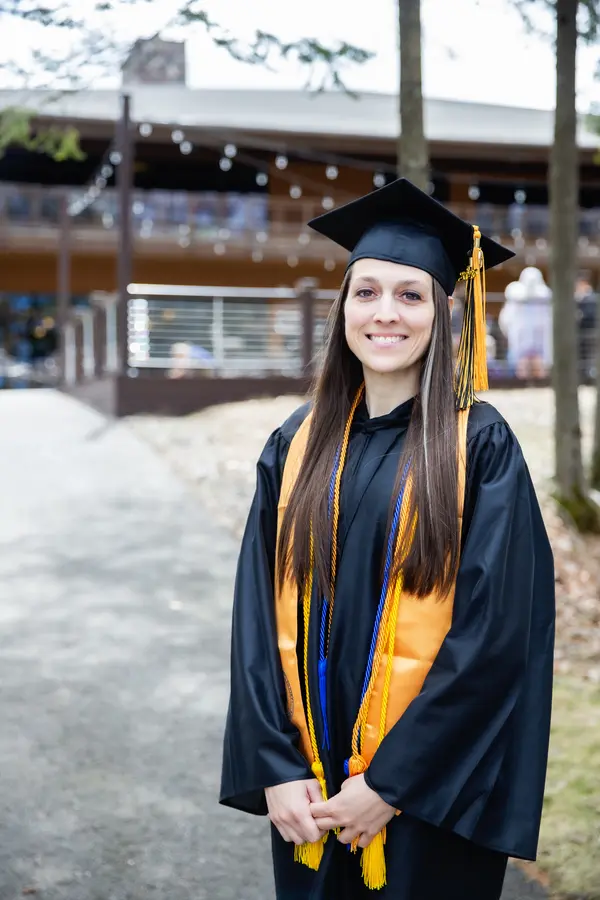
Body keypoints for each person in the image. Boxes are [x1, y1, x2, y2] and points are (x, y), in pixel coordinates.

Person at [220, 178, 555, 900]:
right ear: (343, 307)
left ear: (443, 312)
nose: (385, 314)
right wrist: (276, 765)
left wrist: (393, 782)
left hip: (430, 793)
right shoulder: (295, 445)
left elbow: (493, 640)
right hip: (308, 793)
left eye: (410, 295)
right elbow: (254, 620)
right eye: (366, 292)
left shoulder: (480, 445)